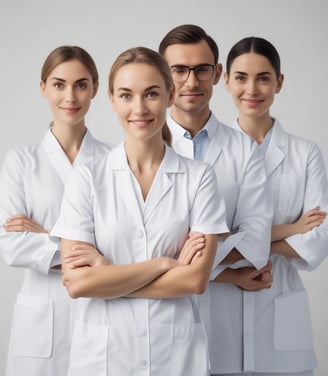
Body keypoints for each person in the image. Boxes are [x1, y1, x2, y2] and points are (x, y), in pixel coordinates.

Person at [51, 46, 228, 376]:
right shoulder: (88, 177)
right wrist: (165, 264)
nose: (139, 108)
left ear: (170, 94)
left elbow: (195, 280)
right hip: (103, 359)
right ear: (112, 99)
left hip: (176, 357)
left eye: (151, 94)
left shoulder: (199, 177)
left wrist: (106, 274)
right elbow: (77, 284)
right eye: (126, 95)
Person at [158, 24, 273, 373]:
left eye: (202, 69)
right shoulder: (144, 149)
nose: (191, 82)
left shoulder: (244, 150)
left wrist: (179, 257)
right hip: (158, 322)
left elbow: (256, 240)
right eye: (179, 70)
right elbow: (132, 252)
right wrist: (221, 252)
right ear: (164, 75)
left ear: (217, 73)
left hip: (226, 322)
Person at [0, 45, 110, 376]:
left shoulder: (113, 161)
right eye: (59, 84)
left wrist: (47, 233)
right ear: (43, 87)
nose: (71, 96)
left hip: (98, 313)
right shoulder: (21, 161)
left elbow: (122, 246)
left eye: (81, 84)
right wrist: (90, 250)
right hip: (40, 326)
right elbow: (12, 246)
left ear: (95, 87)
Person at [222, 36, 328, 375]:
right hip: (222, 307)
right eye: (241, 77)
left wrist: (244, 240)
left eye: (263, 77)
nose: (251, 88)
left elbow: (319, 237)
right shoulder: (211, 154)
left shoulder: (305, 154)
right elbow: (203, 241)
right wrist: (290, 231)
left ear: (279, 82)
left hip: (281, 307)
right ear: (225, 80)